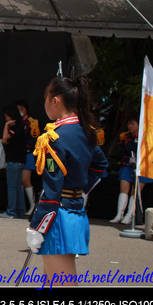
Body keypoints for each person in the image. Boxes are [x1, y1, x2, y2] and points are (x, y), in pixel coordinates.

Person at [26, 76, 108, 287]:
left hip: (57, 216)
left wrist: (37, 226)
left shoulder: (54, 138)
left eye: (45, 99)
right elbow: (100, 165)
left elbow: (52, 191)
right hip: (75, 211)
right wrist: (80, 189)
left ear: (55, 101)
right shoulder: (87, 132)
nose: (44, 104)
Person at [109, 112, 150, 224]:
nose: (130, 126)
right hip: (128, 166)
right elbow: (122, 153)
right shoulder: (126, 137)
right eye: (129, 124)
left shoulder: (146, 136)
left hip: (142, 167)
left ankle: (130, 215)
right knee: (123, 188)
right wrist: (128, 159)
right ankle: (119, 214)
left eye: (133, 124)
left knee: (135, 191)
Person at [0, 103, 29, 219]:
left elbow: (6, 137)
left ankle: (11, 211)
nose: (6, 118)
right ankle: (20, 211)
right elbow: (7, 140)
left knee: (12, 186)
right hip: (20, 160)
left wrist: (6, 125)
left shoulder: (16, 126)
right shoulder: (21, 125)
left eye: (6, 116)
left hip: (14, 160)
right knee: (17, 187)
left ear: (11, 115)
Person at [16, 99, 40, 215]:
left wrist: (25, 147)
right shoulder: (15, 122)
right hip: (18, 154)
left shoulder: (32, 122)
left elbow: (34, 139)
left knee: (25, 180)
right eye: (18, 109)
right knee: (18, 181)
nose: (20, 111)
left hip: (28, 153)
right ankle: (21, 207)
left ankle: (33, 205)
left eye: (22, 109)